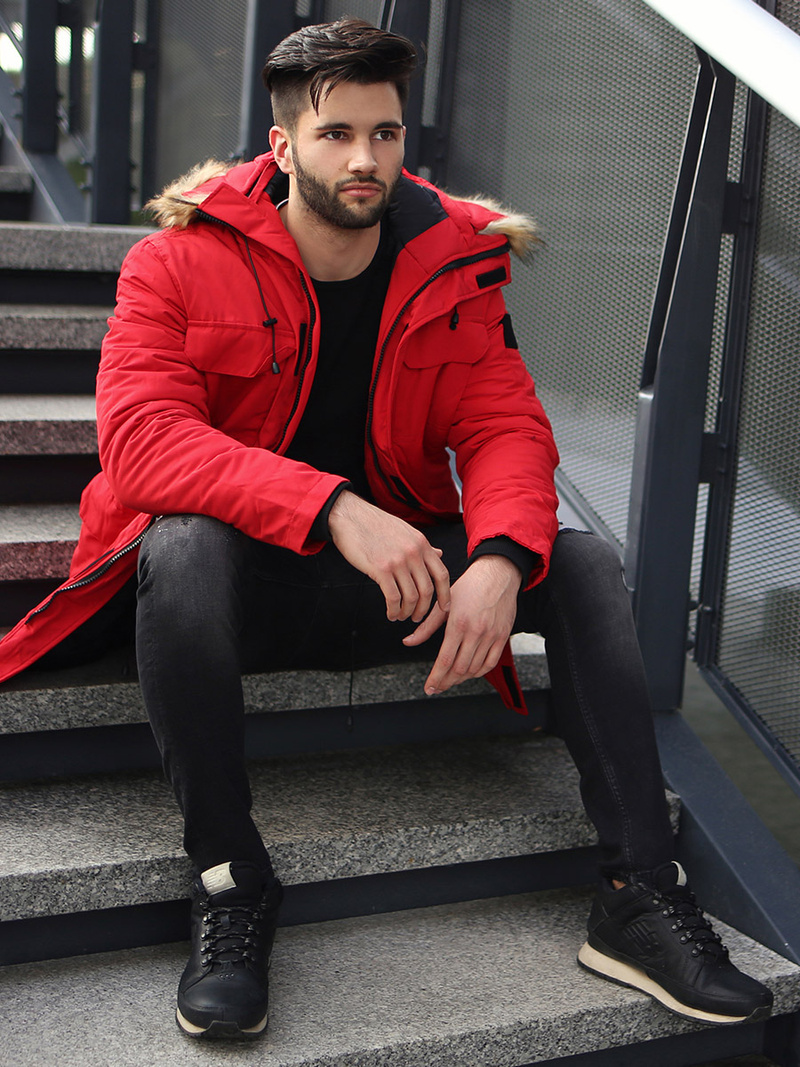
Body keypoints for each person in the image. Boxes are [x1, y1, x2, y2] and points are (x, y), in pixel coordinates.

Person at [0, 16, 772, 1041]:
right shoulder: (175, 262)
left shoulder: (456, 261)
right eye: (335, 134)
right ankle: (230, 880)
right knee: (180, 545)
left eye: (384, 132)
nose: (364, 158)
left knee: (580, 560)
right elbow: (143, 444)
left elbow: (502, 427)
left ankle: (639, 891)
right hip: (232, 593)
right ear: (282, 148)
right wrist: (332, 505)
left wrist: (500, 558)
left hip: (391, 587)